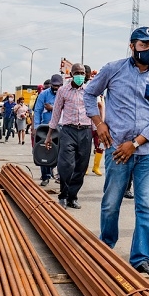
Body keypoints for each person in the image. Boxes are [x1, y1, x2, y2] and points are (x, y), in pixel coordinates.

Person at [83, 26, 149, 278]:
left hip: (146, 152)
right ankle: (106, 247)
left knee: (146, 205)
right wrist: (99, 124)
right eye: (144, 45)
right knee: (111, 203)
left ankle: (141, 258)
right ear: (132, 46)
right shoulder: (114, 69)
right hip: (116, 150)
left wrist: (135, 143)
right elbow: (89, 94)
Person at [46, 63, 92, 209]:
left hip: (86, 131)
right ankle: (63, 196)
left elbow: (94, 110)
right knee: (66, 165)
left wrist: (98, 132)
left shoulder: (90, 90)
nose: (80, 75)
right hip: (68, 131)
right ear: (71, 74)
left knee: (81, 166)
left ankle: (73, 197)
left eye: (82, 73)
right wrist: (49, 135)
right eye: (77, 72)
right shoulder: (63, 91)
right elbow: (56, 113)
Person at [33, 75, 61, 186]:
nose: (56, 88)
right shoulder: (43, 94)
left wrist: (52, 108)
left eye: (58, 86)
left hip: (60, 127)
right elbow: (38, 110)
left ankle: (59, 175)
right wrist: (36, 127)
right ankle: (45, 177)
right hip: (45, 128)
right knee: (44, 152)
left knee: (60, 153)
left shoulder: (64, 93)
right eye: (54, 86)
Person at [85, 65, 106, 177]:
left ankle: (95, 167)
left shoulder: (95, 85)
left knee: (100, 145)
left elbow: (101, 105)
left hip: (96, 123)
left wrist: (102, 122)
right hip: (88, 123)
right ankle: (87, 168)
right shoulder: (90, 86)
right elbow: (100, 105)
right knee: (87, 147)